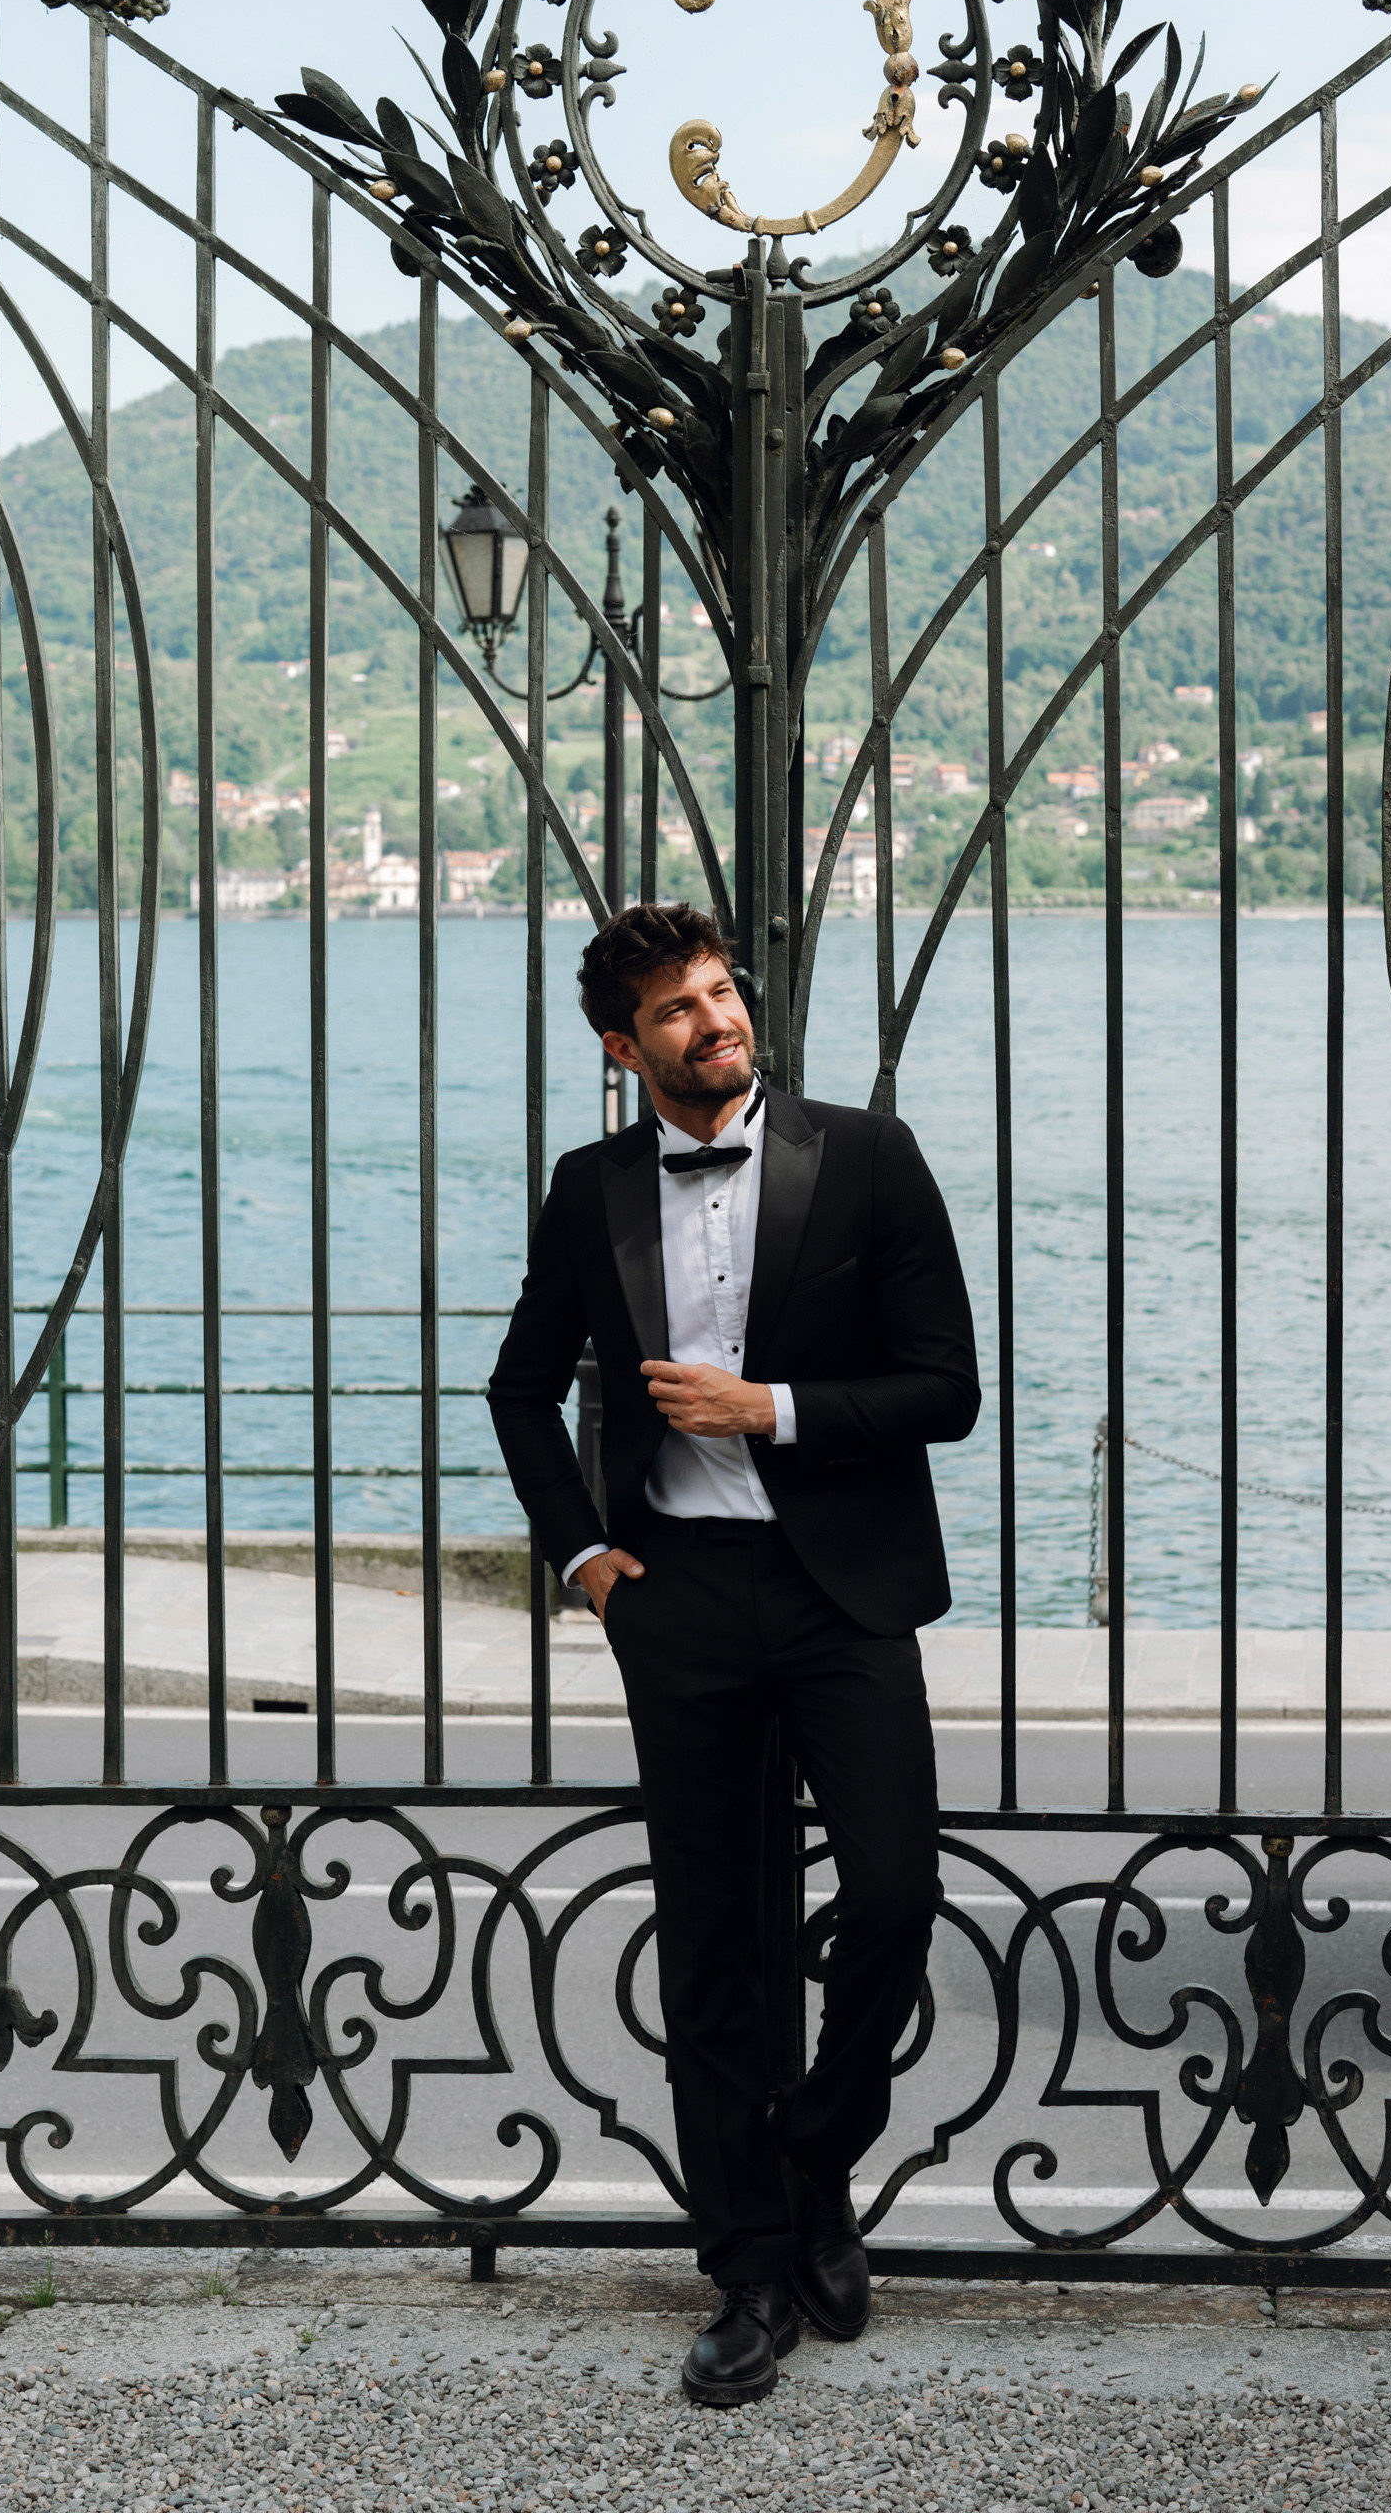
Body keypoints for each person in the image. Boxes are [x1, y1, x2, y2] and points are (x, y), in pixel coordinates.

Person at [487, 901, 981, 2407]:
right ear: (624, 1047)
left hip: (843, 1594)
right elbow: (517, 1390)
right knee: (712, 1937)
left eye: (721, 994)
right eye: (680, 1010)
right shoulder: (591, 1192)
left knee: (895, 1894)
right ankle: (751, 2267)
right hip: (678, 1598)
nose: (716, 1021)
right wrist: (584, 1559)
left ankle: (809, 2156)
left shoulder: (869, 1159)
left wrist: (767, 1410)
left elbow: (946, 1390)